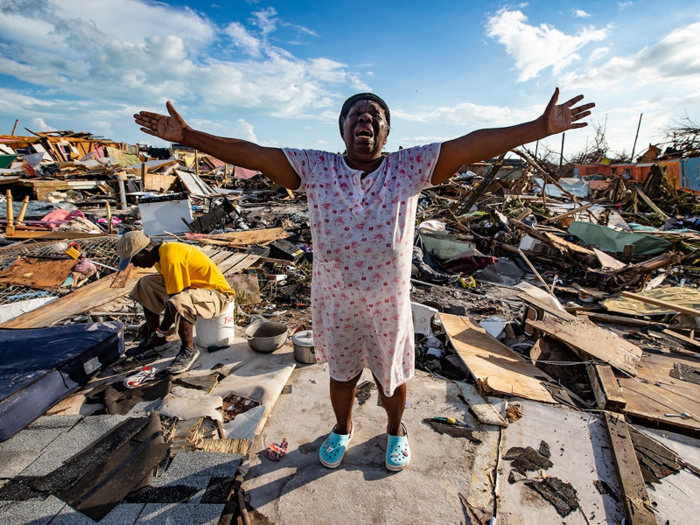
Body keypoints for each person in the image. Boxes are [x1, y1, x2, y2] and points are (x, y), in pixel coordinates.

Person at [134, 88, 593, 470]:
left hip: (387, 302)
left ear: (387, 132)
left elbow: (467, 145)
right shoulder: (316, 169)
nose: (365, 121)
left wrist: (538, 127)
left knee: (392, 376)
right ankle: (342, 428)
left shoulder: (407, 168)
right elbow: (253, 153)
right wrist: (190, 136)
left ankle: (395, 431)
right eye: (356, 115)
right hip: (335, 301)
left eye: (374, 117)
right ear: (342, 128)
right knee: (342, 373)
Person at [116, 230, 235, 374]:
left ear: (145, 251)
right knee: (145, 284)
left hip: (218, 294)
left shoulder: (171, 258)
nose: (135, 265)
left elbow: (175, 302)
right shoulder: (159, 255)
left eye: (134, 260)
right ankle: (155, 341)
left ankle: (188, 350)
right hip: (194, 287)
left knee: (178, 301)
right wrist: (154, 330)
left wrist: (162, 332)